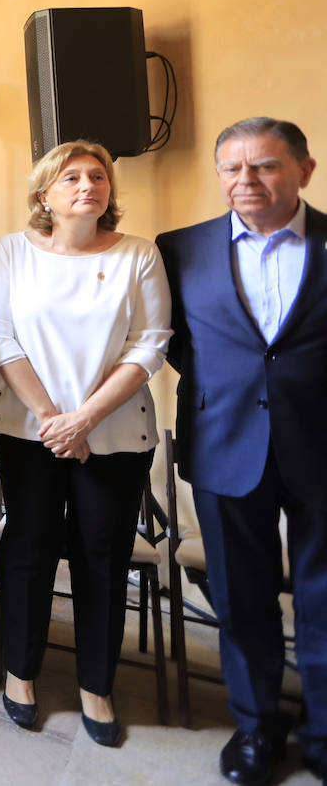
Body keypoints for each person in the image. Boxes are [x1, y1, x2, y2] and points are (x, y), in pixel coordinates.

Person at [0, 140, 171, 746]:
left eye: (98, 176)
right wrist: (52, 419)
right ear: (45, 194)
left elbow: (150, 344)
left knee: (102, 557)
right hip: (26, 429)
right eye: (71, 177)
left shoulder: (139, 255)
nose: (88, 185)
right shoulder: (11, 251)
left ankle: (97, 685)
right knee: (28, 550)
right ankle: (21, 674)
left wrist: (82, 419)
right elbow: (0, 337)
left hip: (114, 435)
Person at [156, 117, 327, 786]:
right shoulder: (180, 249)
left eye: (264, 166)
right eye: (231, 167)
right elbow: (171, 341)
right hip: (225, 441)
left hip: (321, 444)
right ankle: (256, 726)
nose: (245, 180)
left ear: (304, 170)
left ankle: (321, 729)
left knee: (323, 594)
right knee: (240, 595)